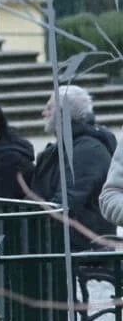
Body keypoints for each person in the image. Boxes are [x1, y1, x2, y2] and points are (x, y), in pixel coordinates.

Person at [37, 85, 117, 240]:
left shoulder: (88, 151)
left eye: (49, 108)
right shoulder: (62, 148)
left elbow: (67, 200)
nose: (44, 113)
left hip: (84, 250)